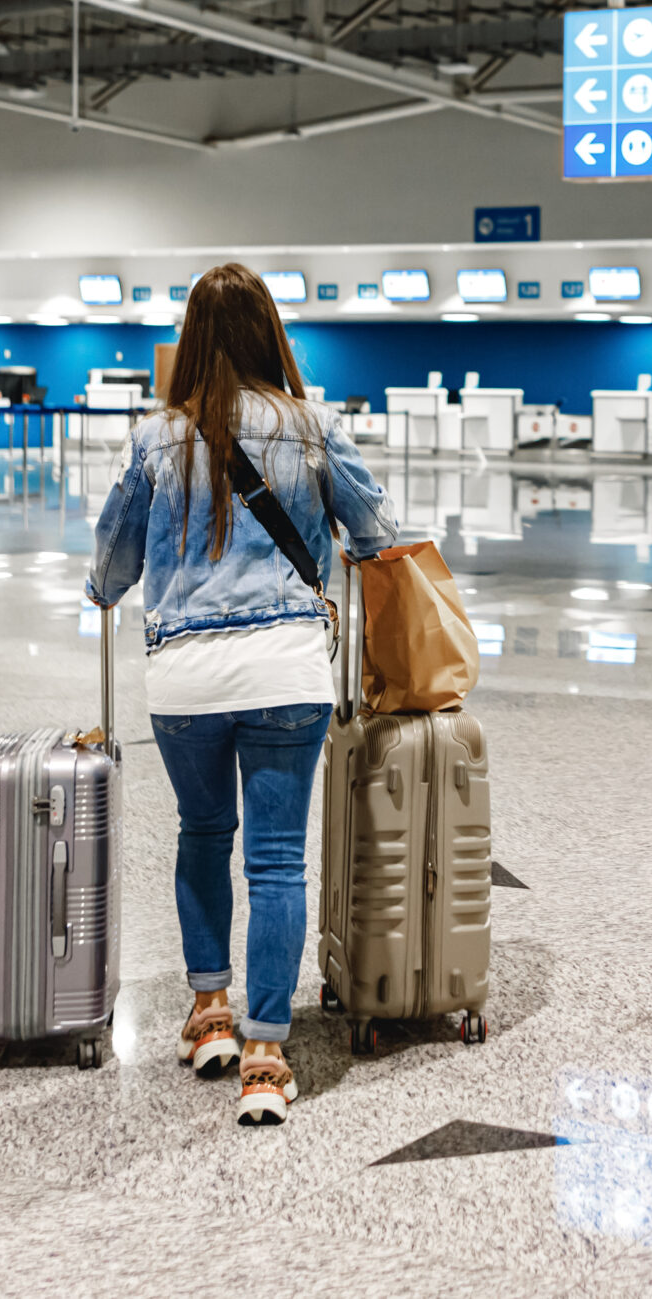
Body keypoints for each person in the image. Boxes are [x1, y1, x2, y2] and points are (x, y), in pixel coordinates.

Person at [85, 263, 397, 1125]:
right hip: (287, 670)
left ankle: (209, 1010)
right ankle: (267, 1051)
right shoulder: (314, 424)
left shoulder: (155, 438)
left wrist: (117, 584)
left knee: (202, 833)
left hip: (184, 679)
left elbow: (110, 569)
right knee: (275, 861)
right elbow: (377, 533)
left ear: (190, 340)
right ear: (271, 333)